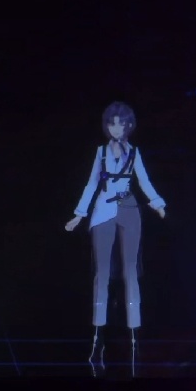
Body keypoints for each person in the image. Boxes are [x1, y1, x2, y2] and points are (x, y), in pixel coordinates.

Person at [66, 102, 166, 376]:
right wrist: (79, 214)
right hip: (103, 211)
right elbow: (91, 184)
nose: (117, 128)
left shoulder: (134, 152)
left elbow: (143, 180)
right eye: (113, 123)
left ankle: (134, 333)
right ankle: (97, 336)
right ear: (107, 125)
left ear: (129, 126)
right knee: (102, 274)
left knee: (131, 272)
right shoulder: (100, 152)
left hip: (129, 209)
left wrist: (157, 203)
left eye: (122, 123)